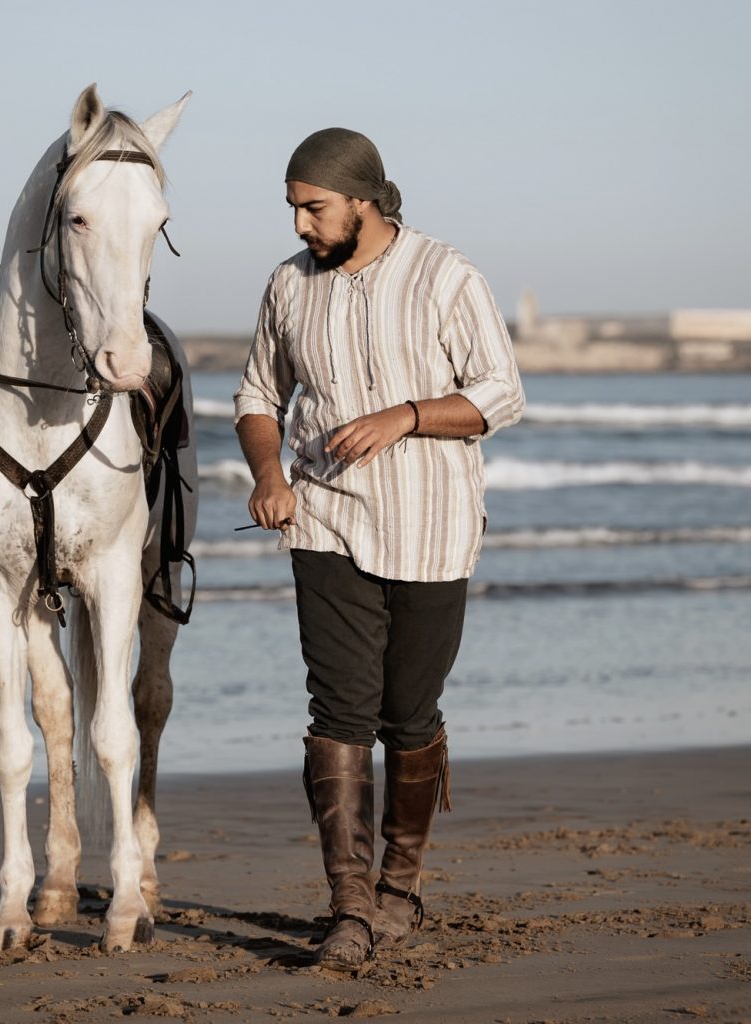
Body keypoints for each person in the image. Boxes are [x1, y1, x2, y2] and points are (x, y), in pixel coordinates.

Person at [233, 127, 525, 970]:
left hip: (433, 527)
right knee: (339, 713)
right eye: (292, 209)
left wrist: (405, 415)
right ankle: (350, 907)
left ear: (363, 200)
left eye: (314, 208)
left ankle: (400, 887)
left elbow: (501, 394)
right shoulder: (289, 287)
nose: (300, 227)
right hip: (325, 523)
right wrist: (268, 475)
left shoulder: (445, 274)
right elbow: (258, 393)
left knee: (410, 714)